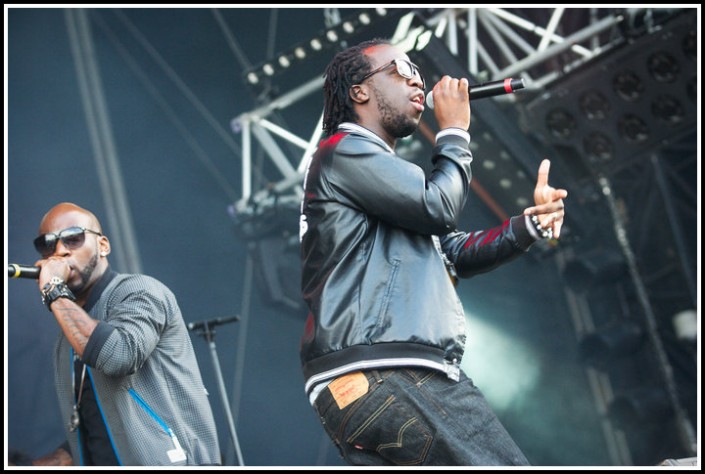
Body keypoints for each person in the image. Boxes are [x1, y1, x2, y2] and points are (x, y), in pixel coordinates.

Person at [298, 38, 567, 466]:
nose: (416, 81)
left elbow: (452, 251)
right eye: (401, 71)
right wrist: (455, 131)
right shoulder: (343, 151)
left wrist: (530, 224)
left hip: (361, 383)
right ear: (359, 91)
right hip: (392, 370)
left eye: (418, 73)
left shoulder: (368, 175)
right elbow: (440, 208)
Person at [26, 202, 221, 466]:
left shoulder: (140, 291)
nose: (59, 251)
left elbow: (117, 356)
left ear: (103, 245)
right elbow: (101, 423)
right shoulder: (66, 339)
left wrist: (53, 290)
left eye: (73, 238)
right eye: (47, 244)